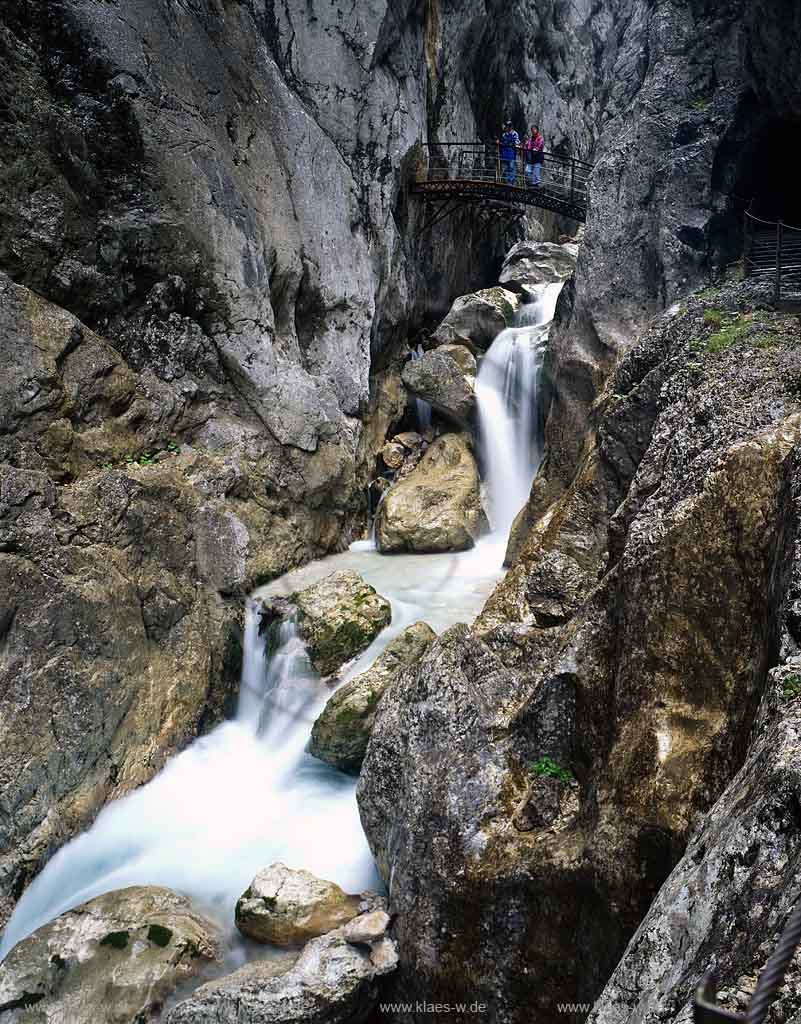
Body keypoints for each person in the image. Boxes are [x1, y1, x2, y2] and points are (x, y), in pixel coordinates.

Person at [498, 120, 520, 185]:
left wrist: (511, 143)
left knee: (512, 168)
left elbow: (517, 142)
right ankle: (508, 182)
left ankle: (511, 182)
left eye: (509, 126)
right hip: (504, 154)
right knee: (507, 168)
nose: (508, 128)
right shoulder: (504, 134)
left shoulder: (515, 134)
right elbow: (501, 143)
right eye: (507, 126)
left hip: (511, 154)